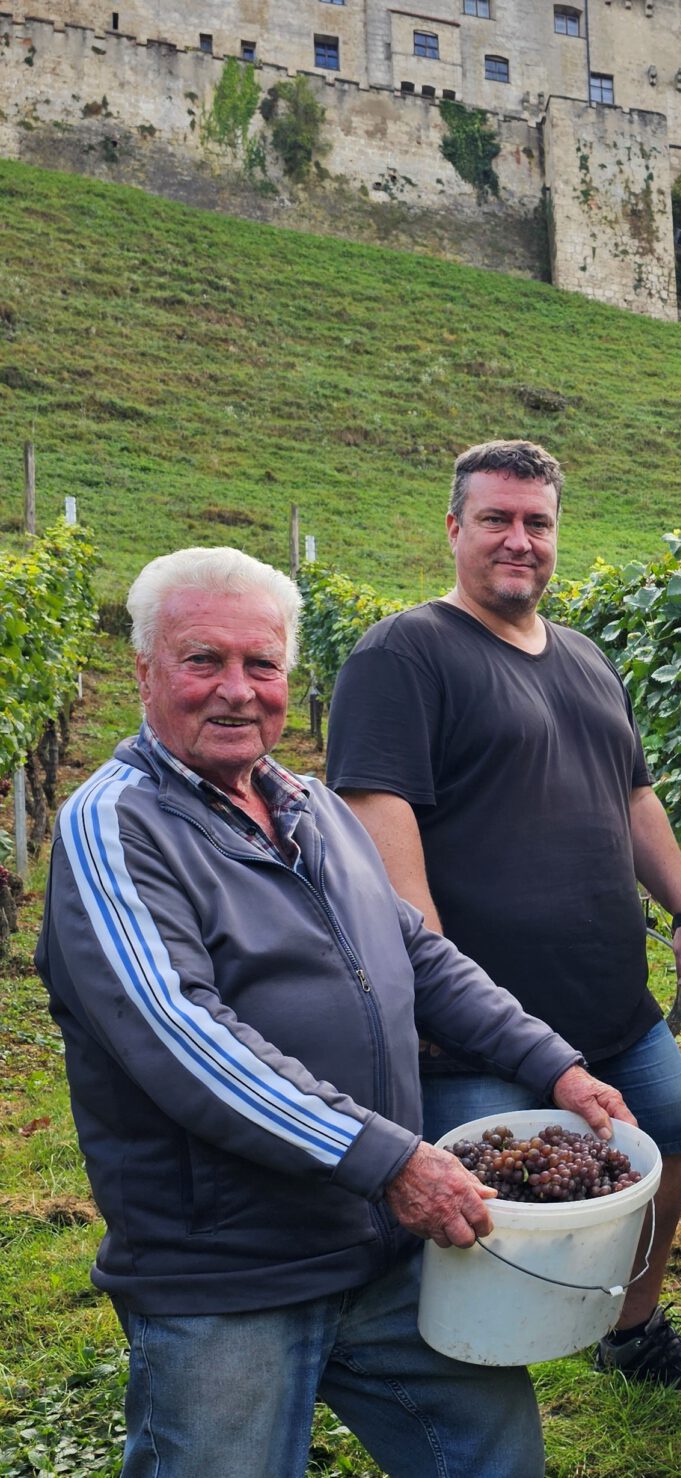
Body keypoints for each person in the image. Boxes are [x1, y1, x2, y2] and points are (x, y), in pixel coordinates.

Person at [36, 546, 636, 1478]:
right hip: (229, 1275)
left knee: (492, 1457)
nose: (237, 690)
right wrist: (392, 1160)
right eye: (203, 661)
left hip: (378, 1251)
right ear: (145, 670)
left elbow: (418, 956)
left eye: (262, 664)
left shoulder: (311, 807)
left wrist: (551, 1061)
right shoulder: (116, 825)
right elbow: (182, 1033)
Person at [325, 439, 681, 1391]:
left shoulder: (587, 658)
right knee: (480, 1211)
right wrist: (433, 996)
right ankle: (466, 1392)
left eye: (537, 522)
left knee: (667, 1148)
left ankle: (630, 1334)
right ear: (454, 528)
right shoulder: (405, 653)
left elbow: (633, 797)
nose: (520, 540)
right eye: (497, 519)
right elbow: (383, 832)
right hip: (480, 1028)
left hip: (612, 1009)